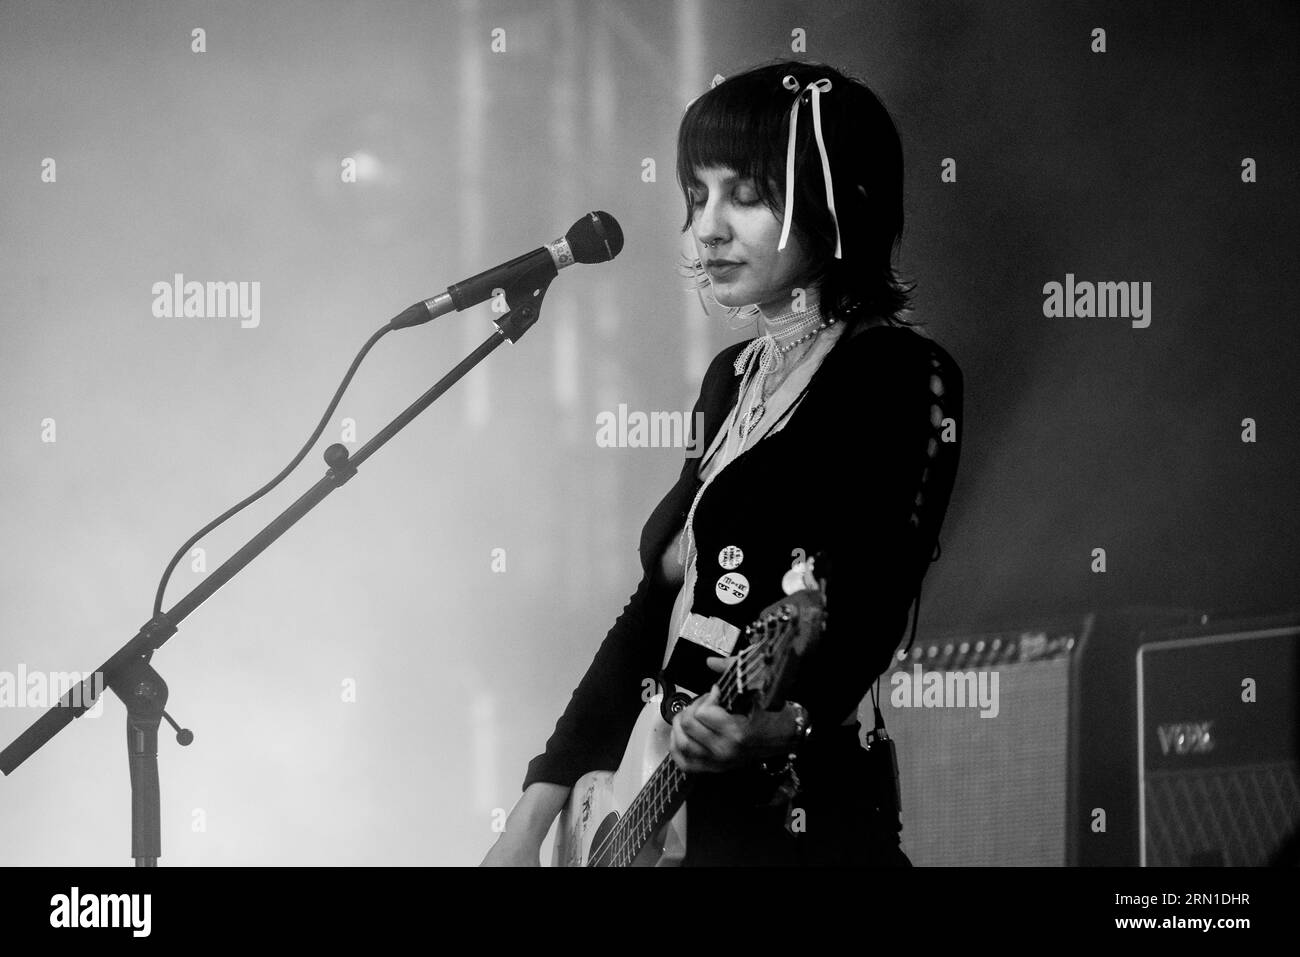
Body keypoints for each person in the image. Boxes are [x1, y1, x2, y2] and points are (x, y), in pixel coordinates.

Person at [482, 59, 963, 866]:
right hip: (669, 814)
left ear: (838, 200)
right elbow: (649, 615)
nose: (707, 227)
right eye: (696, 195)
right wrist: (531, 813)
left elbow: (874, 600)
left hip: (802, 825)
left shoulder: (898, 374)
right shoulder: (729, 379)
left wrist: (782, 721)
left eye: (744, 194)